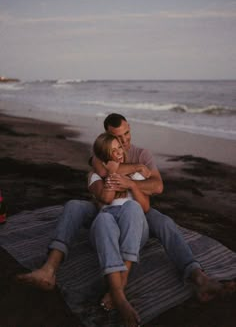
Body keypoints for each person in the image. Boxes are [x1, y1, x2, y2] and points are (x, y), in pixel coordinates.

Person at [17, 113, 232, 302]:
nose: (125, 141)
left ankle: (199, 277)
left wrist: (131, 182)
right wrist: (129, 169)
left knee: (164, 222)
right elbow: (101, 171)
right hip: (104, 207)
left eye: (127, 133)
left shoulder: (142, 154)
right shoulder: (101, 153)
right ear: (108, 136)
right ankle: (49, 269)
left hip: (135, 208)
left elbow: (157, 186)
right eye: (118, 138)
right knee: (74, 206)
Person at [89, 132, 150, 326]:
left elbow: (145, 207)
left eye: (119, 149)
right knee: (104, 218)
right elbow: (106, 199)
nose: (118, 154)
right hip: (106, 230)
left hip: (134, 227)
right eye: (112, 152)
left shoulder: (135, 175)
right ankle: (120, 297)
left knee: (132, 206)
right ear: (104, 159)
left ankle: (119, 285)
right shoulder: (95, 176)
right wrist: (113, 173)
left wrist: (132, 184)